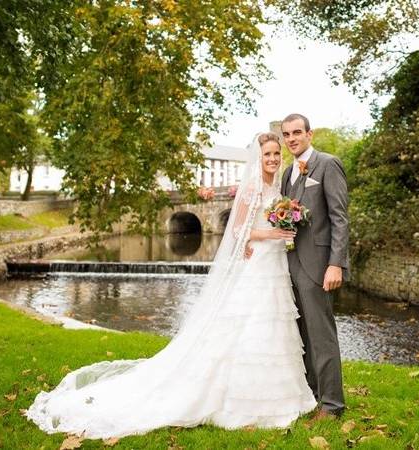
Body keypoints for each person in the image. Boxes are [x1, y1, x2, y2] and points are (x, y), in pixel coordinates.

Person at [25, 132, 317, 439]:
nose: (272, 158)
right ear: (257, 159)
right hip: (257, 265)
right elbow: (240, 232)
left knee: (273, 328)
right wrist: (271, 235)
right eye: (266, 154)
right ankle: (235, 401)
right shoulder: (252, 189)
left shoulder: (277, 186)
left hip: (273, 264)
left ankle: (280, 397)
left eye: (275, 153)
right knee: (251, 326)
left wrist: (283, 225)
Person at [281, 113, 348, 419]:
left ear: (309, 134)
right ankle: (313, 395)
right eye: (287, 134)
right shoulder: (287, 173)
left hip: (319, 265)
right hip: (289, 264)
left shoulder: (328, 163)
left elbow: (339, 218)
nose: (292, 138)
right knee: (303, 336)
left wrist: (336, 264)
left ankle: (333, 405)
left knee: (322, 335)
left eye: (297, 132)